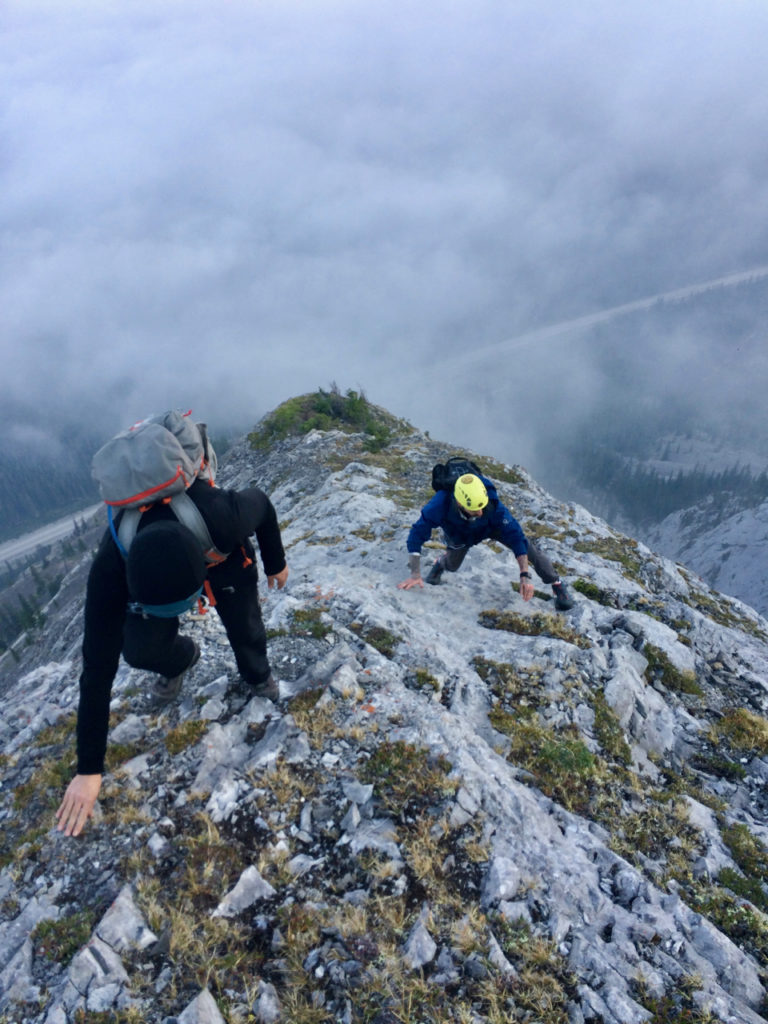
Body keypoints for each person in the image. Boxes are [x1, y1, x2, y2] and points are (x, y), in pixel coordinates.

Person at [56, 476, 289, 838]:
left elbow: (262, 502)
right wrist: (89, 769)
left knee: (245, 626)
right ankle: (180, 659)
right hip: (153, 578)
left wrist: (275, 561)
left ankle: (258, 677)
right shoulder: (112, 568)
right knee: (139, 648)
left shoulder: (222, 517)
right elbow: (97, 671)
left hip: (221, 558)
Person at [397, 471, 574, 609]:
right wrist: (415, 574)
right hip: (460, 533)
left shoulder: (492, 505)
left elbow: (516, 537)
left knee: (529, 549)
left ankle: (556, 583)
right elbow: (416, 535)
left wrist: (524, 575)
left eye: (482, 506)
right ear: (459, 503)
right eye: (475, 509)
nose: (480, 512)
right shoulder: (439, 506)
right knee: (452, 565)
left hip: (492, 526)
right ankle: (440, 563)